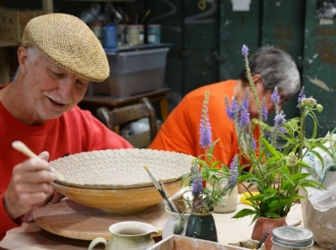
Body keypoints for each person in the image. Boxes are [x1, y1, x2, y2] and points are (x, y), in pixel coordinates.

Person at [0, 13, 133, 241]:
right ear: (23, 59)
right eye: (57, 73)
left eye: (80, 83)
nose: (66, 95)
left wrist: (76, 186)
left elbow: (135, 166)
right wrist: (9, 204)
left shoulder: (76, 120)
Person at [149, 46, 300, 167]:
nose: (278, 108)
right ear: (255, 83)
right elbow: (216, 185)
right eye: (278, 99)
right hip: (163, 190)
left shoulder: (249, 113)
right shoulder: (216, 108)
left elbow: (257, 167)